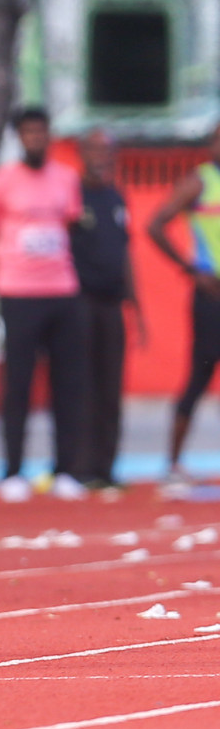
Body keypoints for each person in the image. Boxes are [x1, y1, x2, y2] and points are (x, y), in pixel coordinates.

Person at [0, 108, 90, 503]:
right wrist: (1, 276)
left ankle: (67, 470)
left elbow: (69, 226)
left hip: (62, 291)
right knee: (18, 385)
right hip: (18, 293)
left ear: (50, 135)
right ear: (18, 137)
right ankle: (13, 470)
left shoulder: (68, 179)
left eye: (41, 131)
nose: (36, 138)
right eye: (28, 132)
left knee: (68, 385)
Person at [146, 121, 220, 488]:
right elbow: (155, 224)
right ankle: (173, 463)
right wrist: (190, 269)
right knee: (200, 375)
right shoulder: (200, 181)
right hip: (211, 296)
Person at [70, 129, 144, 490]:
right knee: (84, 384)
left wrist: (138, 307)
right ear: (83, 152)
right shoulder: (72, 196)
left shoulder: (117, 197)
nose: (104, 156)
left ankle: (107, 467)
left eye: (109, 150)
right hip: (81, 301)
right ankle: (81, 467)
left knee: (111, 387)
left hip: (113, 302)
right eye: (97, 149)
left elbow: (126, 253)